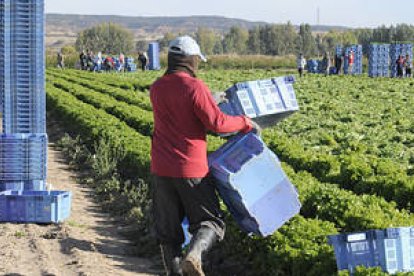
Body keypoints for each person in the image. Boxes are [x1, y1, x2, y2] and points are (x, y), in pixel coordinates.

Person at [149, 35, 260, 276]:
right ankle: (195, 254)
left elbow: (180, 106)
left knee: (168, 234)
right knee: (211, 222)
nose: (198, 63)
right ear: (189, 60)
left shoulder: (157, 87)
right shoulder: (194, 87)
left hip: (161, 167)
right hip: (190, 168)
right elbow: (217, 123)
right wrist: (244, 122)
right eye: (197, 59)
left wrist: (212, 98)